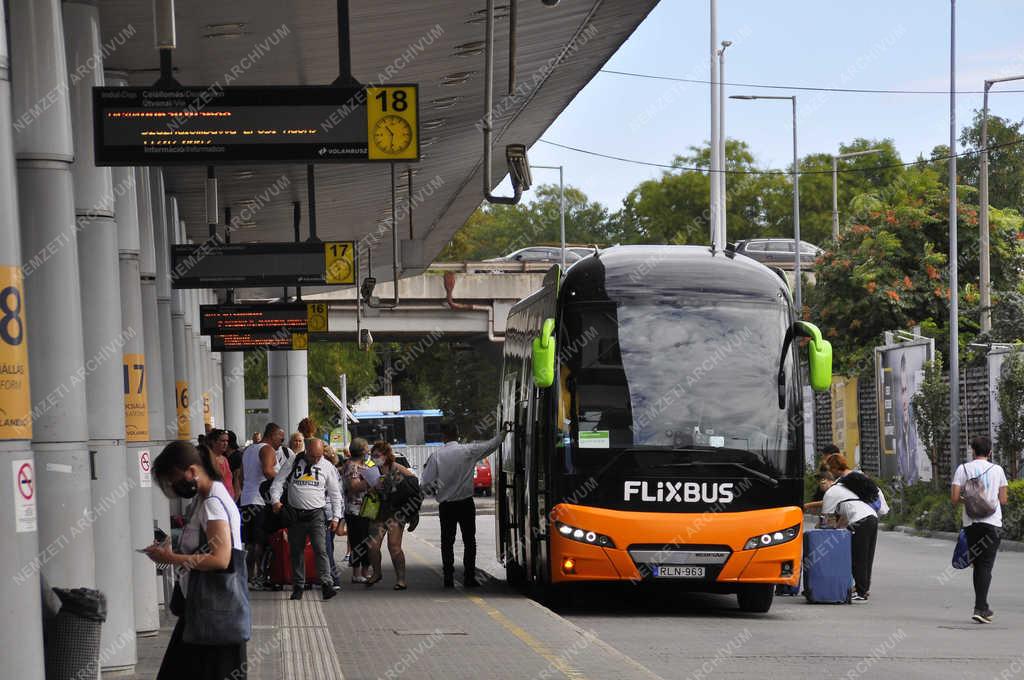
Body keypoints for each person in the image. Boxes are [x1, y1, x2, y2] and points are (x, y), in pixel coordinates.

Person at [144, 441, 247, 680]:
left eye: (174, 478)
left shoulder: (212, 503)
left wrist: (171, 558)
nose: (172, 485)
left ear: (191, 471)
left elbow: (221, 559)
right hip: (204, 611)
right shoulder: (207, 498)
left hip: (213, 614)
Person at [421, 420, 505, 588]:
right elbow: (491, 445)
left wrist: (438, 487)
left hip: (446, 506)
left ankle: (448, 578)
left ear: (443, 436)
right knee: (469, 541)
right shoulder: (468, 451)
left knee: (447, 542)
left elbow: (426, 483)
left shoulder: (436, 456)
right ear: (457, 434)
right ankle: (469, 577)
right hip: (466, 504)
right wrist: (503, 433)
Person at [269, 438, 344, 601]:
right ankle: (298, 586)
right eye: (312, 456)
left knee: (320, 549)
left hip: (316, 513)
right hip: (295, 514)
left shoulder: (327, 466)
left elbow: (335, 494)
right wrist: (275, 501)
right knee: (296, 551)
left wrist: (336, 517)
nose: (316, 460)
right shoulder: (294, 460)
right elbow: (278, 482)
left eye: (319, 456)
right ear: (306, 451)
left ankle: (326, 584)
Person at [951, 436, 1009, 624]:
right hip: (992, 524)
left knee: (977, 564)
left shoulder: (963, 469)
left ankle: (982, 606)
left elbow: (954, 498)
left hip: (971, 524)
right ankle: (981, 607)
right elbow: (1003, 500)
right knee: (985, 565)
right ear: (990, 452)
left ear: (972, 451)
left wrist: (970, 500)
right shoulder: (998, 470)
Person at [821, 452, 889, 601]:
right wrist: (839, 528)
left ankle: (860, 591)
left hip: (861, 521)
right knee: (866, 557)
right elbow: (845, 516)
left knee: (857, 557)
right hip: (871, 518)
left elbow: (826, 522)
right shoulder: (849, 485)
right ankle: (863, 589)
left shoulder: (833, 491)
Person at [237, 422, 285, 588]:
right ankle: (261, 576)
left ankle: (249, 577)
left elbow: (241, 476)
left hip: (247, 499)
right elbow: (267, 471)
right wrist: (283, 480)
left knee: (250, 541)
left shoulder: (249, 450)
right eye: (281, 437)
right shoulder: (268, 449)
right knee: (260, 541)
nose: (282, 442)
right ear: (272, 435)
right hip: (260, 501)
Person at [366, 441, 417, 590]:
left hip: (395, 512)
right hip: (378, 511)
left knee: (394, 547)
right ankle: (376, 573)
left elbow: (413, 484)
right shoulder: (372, 469)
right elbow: (366, 488)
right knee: (373, 546)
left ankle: (401, 579)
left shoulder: (396, 468)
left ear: (386, 455)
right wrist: (373, 488)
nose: (374, 458)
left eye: (377, 456)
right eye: (372, 455)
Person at [341, 438, 379, 583]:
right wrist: (372, 480)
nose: (368, 451)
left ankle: (364, 571)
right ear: (362, 451)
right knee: (357, 541)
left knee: (366, 541)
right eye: (366, 448)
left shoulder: (364, 465)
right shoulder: (351, 466)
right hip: (355, 510)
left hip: (367, 508)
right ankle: (357, 573)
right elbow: (354, 487)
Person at [803, 444, 840, 514]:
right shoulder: (824, 471)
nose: (823, 457)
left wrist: (808, 505)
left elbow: (830, 500)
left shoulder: (839, 475)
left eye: (825, 455)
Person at [207, 429, 235, 502]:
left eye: (227, 441)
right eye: (222, 441)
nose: (225, 444)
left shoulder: (224, 459)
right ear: (213, 442)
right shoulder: (209, 459)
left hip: (229, 500)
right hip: (217, 500)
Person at [226, 431, 243, 499]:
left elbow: (237, 477)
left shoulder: (238, 456)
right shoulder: (223, 455)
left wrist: (236, 496)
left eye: (225, 441)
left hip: (233, 491)